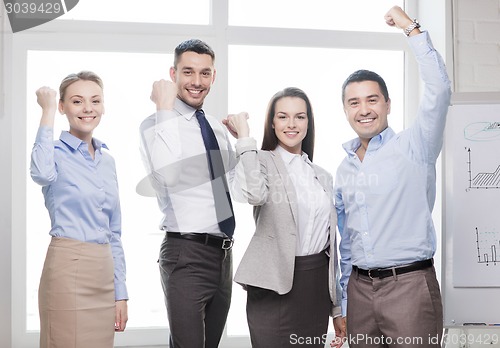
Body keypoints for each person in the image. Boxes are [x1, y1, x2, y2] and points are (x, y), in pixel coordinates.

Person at [334, 6, 452, 348]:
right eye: (354, 103)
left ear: (387, 104)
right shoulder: (344, 169)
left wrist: (411, 29)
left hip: (410, 287)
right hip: (359, 291)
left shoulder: (415, 146)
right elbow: (346, 241)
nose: (364, 109)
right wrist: (343, 302)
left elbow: (439, 92)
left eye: (372, 99)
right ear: (345, 110)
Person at [224, 87, 345, 348]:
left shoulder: (322, 175)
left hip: (315, 287)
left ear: (308, 123)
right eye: (283, 116)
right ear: (272, 123)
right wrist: (245, 138)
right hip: (273, 287)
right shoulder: (260, 160)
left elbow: (331, 246)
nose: (292, 124)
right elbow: (254, 194)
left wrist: (336, 307)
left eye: (300, 117)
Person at [139, 39, 237, 348]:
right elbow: (168, 175)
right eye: (188, 72)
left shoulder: (217, 129)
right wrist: (164, 108)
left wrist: (244, 141)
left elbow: (240, 188)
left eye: (205, 73)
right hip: (186, 253)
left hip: (223, 254)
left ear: (213, 76)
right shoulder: (155, 123)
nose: (197, 82)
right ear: (173, 74)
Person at [30, 71, 128, 348]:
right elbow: (40, 173)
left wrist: (120, 292)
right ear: (63, 107)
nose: (88, 108)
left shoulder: (108, 161)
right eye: (77, 101)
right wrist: (47, 111)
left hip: (104, 271)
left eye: (95, 101)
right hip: (67, 269)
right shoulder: (53, 152)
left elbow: (114, 231)